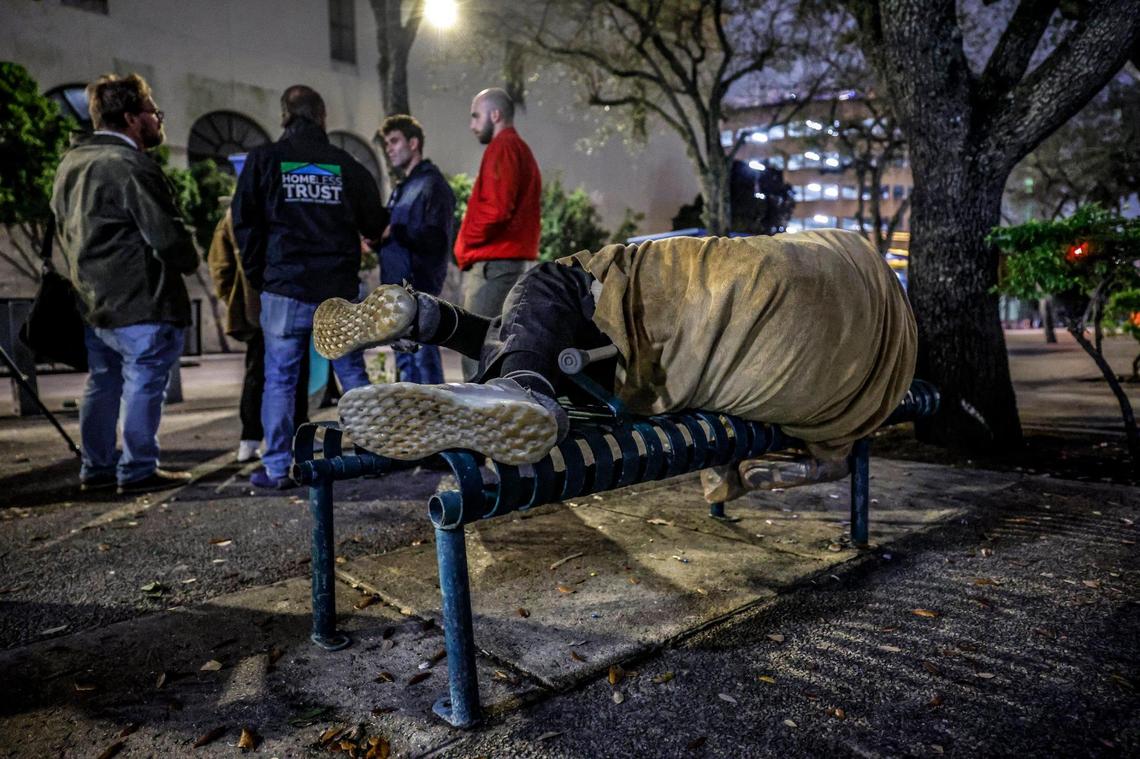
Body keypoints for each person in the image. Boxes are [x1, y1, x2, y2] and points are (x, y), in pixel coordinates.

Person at [313, 229, 918, 467]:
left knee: (556, 280)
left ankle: (509, 377)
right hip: (826, 386)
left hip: (717, 329)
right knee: (546, 335)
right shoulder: (886, 351)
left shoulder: (841, 262)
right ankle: (440, 325)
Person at [232, 85, 387, 489]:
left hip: (284, 289)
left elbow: (244, 223)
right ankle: (374, 454)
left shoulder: (264, 161)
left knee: (280, 379)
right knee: (351, 372)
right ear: (322, 117)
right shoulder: (344, 163)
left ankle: (278, 467)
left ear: (285, 116)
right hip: (335, 291)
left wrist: (260, 274)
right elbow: (374, 220)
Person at [50, 73, 197, 495]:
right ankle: (137, 469)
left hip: (93, 301)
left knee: (103, 381)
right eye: (153, 111)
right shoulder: (130, 165)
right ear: (132, 118)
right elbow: (168, 239)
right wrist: (187, 257)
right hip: (141, 300)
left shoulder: (70, 164)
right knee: (144, 381)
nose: (156, 120)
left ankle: (96, 468)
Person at [206, 204, 310, 462]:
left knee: (258, 373)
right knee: (292, 370)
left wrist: (235, 299)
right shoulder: (284, 210)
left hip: (257, 307)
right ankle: (295, 433)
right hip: (285, 301)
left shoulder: (234, 214)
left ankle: (251, 439)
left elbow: (220, 267)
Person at [453, 87, 542, 380]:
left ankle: (478, 421)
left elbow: (496, 209)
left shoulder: (503, 147)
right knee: (493, 350)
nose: (471, 125)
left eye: (475, 116)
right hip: (504, 262)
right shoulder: (519, 149)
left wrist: (465, 241)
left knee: (476, 348)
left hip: (493, 265)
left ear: (495, 114)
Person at [375, 114, 456, 384]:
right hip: (396, 293)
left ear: (414, 143)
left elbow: (436, 239)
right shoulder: (402, 187)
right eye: (386, 143)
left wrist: (394, 231)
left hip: (419, 292)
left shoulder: (433, 184)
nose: (389, 148)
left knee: (425, 371)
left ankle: (435, 423)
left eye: (395, 141)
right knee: (406, 373)